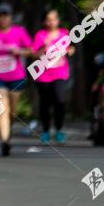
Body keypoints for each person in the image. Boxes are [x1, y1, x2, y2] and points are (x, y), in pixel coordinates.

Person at [0, 3, 33, 156]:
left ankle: (8, 131)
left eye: (6, 15)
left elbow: (31, 50)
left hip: (16, 76)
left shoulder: (19, 32)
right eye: (1, 16)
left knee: (12, 111)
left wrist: (19, 51)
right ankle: (4, 141)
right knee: (0, 108)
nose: (4, 18)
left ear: (10, 17)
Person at [31, 9, 73, 144]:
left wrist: (70, 50)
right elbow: (33, 54)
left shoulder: (64, 33)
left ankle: (59, 130)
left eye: (54, 19)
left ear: (58, 20)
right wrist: (43, 49)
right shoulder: (40, 35)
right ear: (44, 22)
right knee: (45, 103)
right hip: (43, 74)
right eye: (48, 19)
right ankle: (46, 131)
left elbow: (71, 48)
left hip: (60, 72)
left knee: (59, 100)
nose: (51, 22)